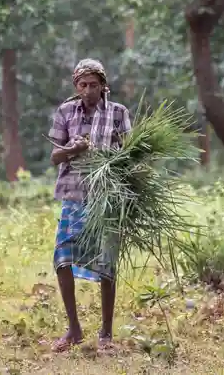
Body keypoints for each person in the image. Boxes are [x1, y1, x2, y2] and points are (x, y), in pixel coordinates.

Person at [47, 58, 132, 353]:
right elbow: (54, 156)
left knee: (107, 264)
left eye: (93, 85)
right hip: (73, 195)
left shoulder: (119, 113)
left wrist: (109, 159)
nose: (88, 90)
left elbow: (130, 155)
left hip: (105, 197)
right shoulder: (65, 112)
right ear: (76, 86)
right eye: (82, 85)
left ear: (103, 85)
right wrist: (72, 149)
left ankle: (106, 334)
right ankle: (74, 329)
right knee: (62, 258)